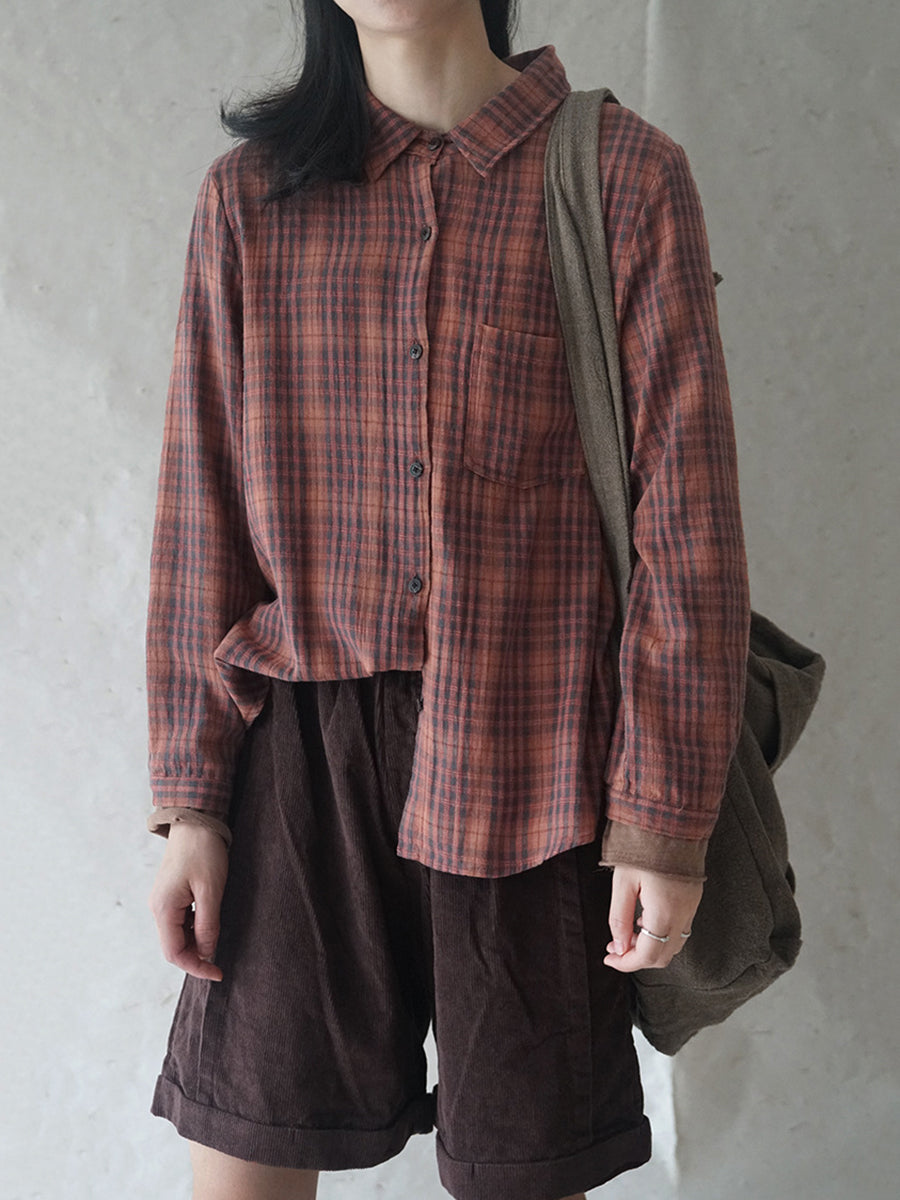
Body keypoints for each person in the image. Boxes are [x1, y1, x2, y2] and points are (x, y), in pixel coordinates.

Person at [146, 2, 750, 1198]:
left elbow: (688, 530)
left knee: (522, 1176)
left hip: (538, 764)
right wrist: (192, 805)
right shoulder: (250, 200)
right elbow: (198, 517)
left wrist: (661, 821)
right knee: (240, 1166)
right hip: (299, 769)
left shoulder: (624, 178)